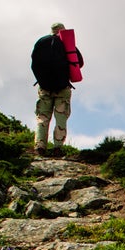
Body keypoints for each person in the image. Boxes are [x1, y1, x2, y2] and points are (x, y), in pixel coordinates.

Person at [31, 22, 83, 157]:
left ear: (52, 30)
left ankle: (40, 147)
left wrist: (42, 79)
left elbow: (34, 63)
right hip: (63, 87)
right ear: (62, 31)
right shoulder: (67, 44)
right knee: (61, 118)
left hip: (44, 87)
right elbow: (79, 63)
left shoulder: (41, 42)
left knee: (42, 117)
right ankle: (57, 148)